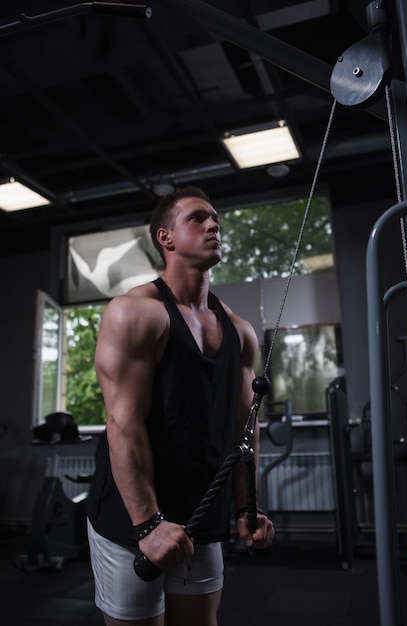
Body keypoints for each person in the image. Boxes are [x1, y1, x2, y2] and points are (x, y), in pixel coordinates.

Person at [86, 186, 275, 626]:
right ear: (165, 237)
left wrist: (248, 509)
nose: (214, 225)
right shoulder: (135, 313)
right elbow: (123, 423)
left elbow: (244, 429)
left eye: (217, 221)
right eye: (198, 218)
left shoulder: (239, 330)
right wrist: (148, 524)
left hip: (200, 511)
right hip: (130, 516)